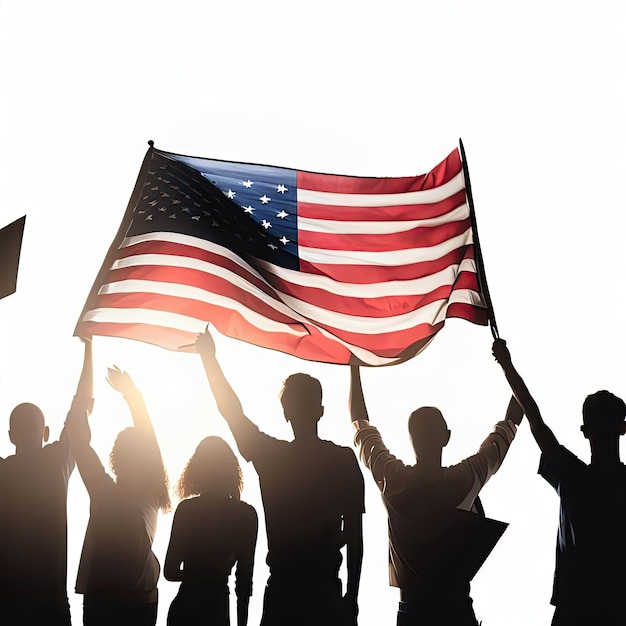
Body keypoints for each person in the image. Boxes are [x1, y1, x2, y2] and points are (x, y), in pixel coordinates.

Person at [195, 329, 365, 626]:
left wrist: (209, 360)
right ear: (320, 411)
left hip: (285, 595)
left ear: (286, 413)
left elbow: (231, 412)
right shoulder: (342, 460)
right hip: (324, 593)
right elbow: (355, 536)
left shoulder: (272, 457)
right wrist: (351, 597)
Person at [348, 363, 522, 626]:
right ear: (446, 437)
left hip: (412, 609)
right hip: (455, 608)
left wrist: (354, 368)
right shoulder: (465, 479)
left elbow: (360, 425)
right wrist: (511, 369)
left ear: (411, 439)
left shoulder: (392, 479)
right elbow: (509, 425)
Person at [492, 338, 626, 625]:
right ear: (622, 428)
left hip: (575, 606)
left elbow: (535, 420)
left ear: (584, 430)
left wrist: (507, 365)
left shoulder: (572, 475)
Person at [67, 365, 170, 626]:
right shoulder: (150, 495)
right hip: (140, 599)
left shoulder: (104, 493)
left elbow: (78, 443)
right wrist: (132, 394)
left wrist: (80, 404)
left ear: (116, 459)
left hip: (103, 598)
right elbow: (149, 439)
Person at [0, 338, 93, 625]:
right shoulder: (57, 461)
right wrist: (89, 348)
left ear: (11, 435)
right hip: (49, 601)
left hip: (8, 602)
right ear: (46, 431)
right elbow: (82, 407)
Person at [164, 436, 258, 626]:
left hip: (185, 608)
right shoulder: (246, 515)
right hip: (217, 610)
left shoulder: (186, 510)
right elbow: (243, 584)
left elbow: (169, 571)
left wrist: (196, 574)